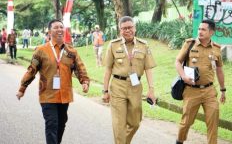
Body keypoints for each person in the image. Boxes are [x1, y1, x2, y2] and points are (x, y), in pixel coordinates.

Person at [16, 19, 90, 144]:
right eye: (56, 27)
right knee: (51, 124)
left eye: (61, 27)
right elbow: (31, 70)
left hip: (65, 95)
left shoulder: (71, 51)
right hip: (47, 95)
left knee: (61, 124)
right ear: (49, 32)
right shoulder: (41, 50)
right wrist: (22, 88)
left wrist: (84, 81)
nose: (60, 29)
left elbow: (79, 68)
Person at [102, 16, 157, 144]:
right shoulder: (113, 45)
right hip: (117, 86)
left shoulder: (143, 45)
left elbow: (148, 68)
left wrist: (151, 89)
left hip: (135, 86)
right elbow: (108, 69)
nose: (128, 30)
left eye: (130, 27)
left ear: (135, 28)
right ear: (120, 30)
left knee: (135, 123)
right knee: (119, 124)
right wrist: (105, 90)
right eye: (124, 28)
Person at [175, 19, 226, 144]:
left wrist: (223, 90)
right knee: (186, 122)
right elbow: (177, 62)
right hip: (191, 91)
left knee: (213, 121)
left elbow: (219, 70)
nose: (200, 31)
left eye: (203, 29)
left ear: (211, 32)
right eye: (199, 29)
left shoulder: (217, 49)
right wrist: (183, 76)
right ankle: (179, 141)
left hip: (209, 91)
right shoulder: (189, 44)